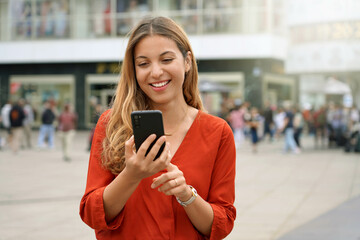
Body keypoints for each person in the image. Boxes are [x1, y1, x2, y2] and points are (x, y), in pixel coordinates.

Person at [80, 16, 236, 239]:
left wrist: (186, 194)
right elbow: (92, 214)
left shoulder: (218, 132)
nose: (155, 72)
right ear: (134, 70)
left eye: (166, 59)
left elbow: (221, 225)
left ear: (187, 62)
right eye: (143, 63)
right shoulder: (111, 124)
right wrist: (131, 176)